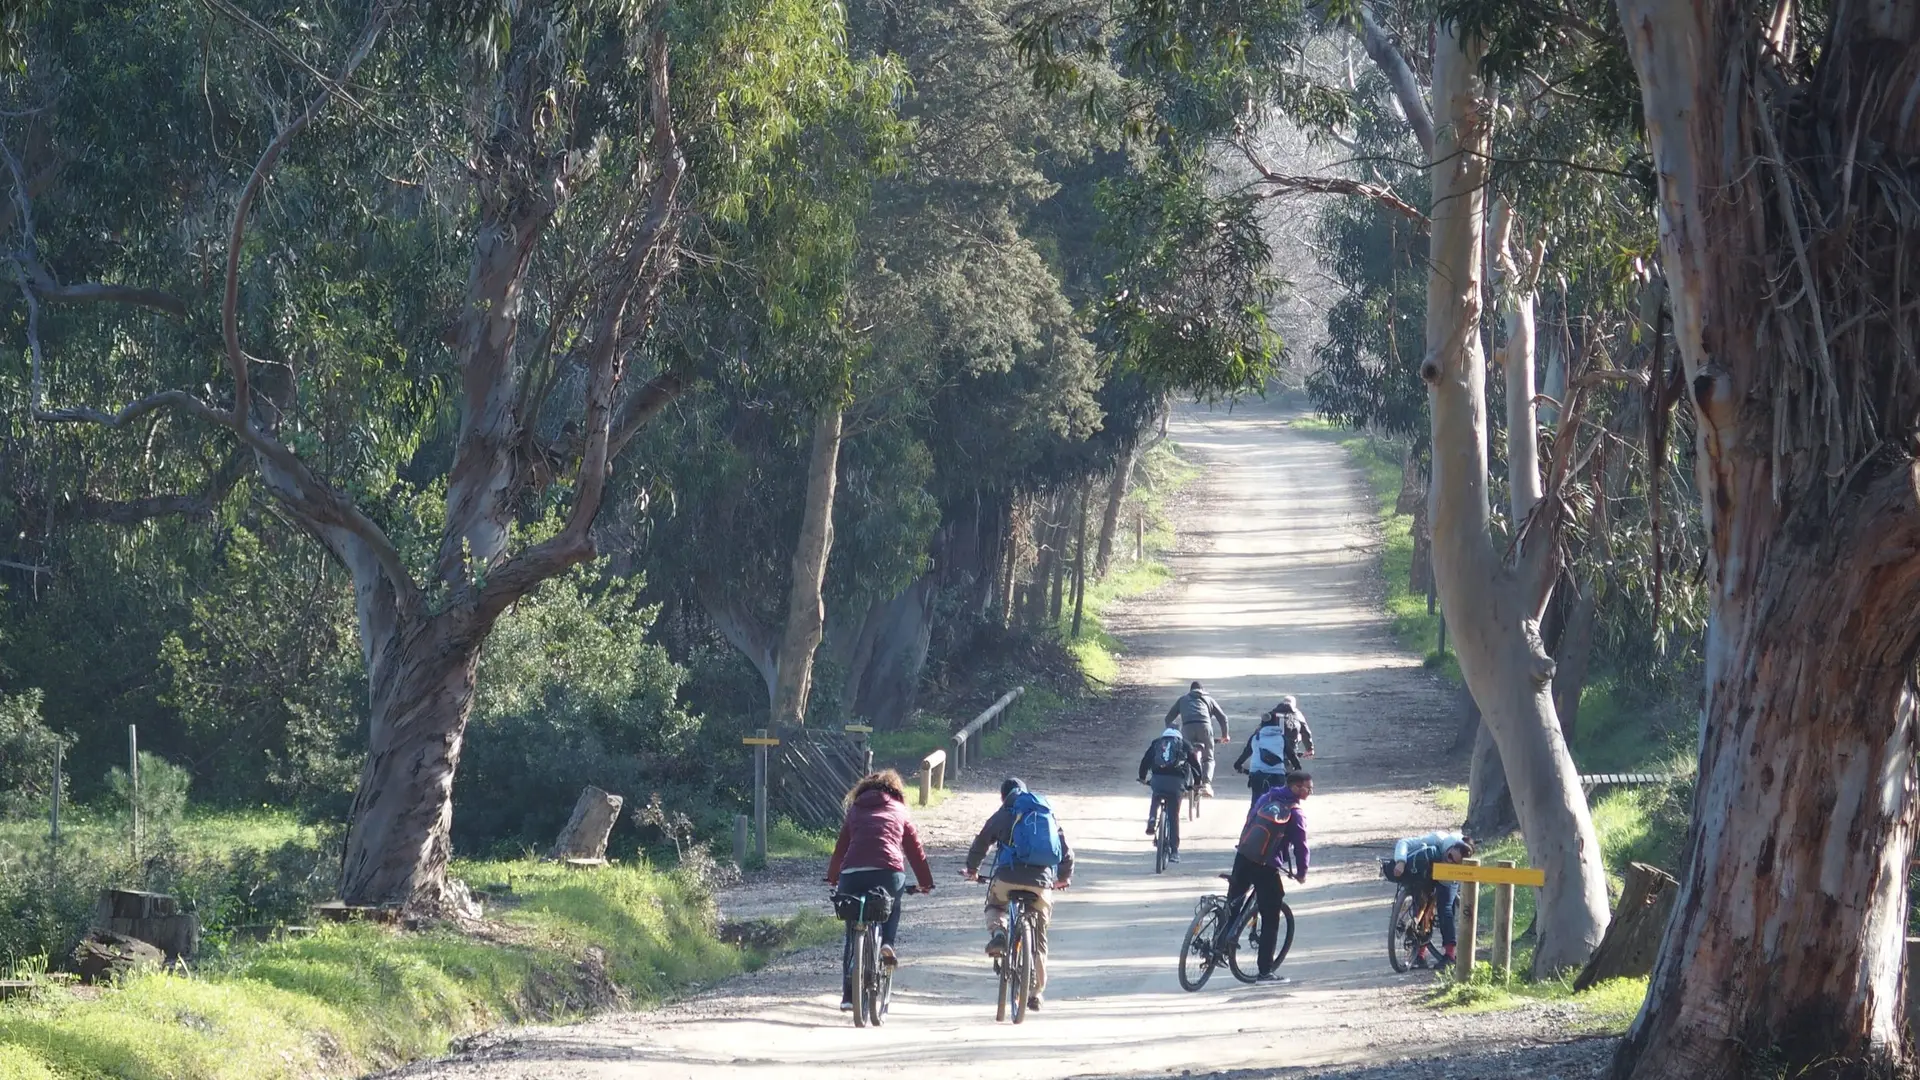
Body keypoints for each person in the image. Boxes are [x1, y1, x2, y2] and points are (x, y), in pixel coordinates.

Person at [825, 769, 937, 1012]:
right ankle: (887, 942)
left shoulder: (854, 810)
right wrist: (925, 882)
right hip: (888, 872)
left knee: (853, 928)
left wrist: (833, 877)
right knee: (893, 902)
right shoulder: (900, 810)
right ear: (896, 790)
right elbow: (915, 850)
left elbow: (841, 847)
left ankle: (847, 996)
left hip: (852, 874)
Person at [962, 777, 1075, 1012]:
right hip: (1041, 884)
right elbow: (1065, 850)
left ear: (1004, 796)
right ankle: (1035, 994)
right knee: (1040, 939)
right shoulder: (1044, 813)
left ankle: (1000, 932)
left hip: (1007, 877)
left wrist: (972, 869)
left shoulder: (1005, 812)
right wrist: (1063, 877)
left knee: (995, 904)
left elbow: (982, 842)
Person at [1226, 770, 1312, 983]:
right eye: (1307, 788)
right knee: (1271, 915)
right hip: (1265, 865)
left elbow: (1249, 819)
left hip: (1243, 855)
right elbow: (1301, 847)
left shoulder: (1266, 797)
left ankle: (1218, 946)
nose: (1310, 791)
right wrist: (1302, 873)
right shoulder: (1295, 813)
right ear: (1295, 788)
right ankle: (1265, 971)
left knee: (1233, 902)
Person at [1390, 831, 1474, 965]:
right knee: (1420, 903)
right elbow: (1403, 842)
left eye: (1455, 863)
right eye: (1450, 856)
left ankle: (1449, 954)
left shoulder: (1453, 866)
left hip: (1447, 876)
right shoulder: (1438, 839)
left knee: (1445, 909)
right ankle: (1419, 954)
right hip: (1428, 868)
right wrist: (1400, 861)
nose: (1450, 861)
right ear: (1450, 847)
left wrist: (1451, 868)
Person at [1137, 725, 1197, 862]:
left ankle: (1152, 819)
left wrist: (1142, 777)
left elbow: (1146, 761)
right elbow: (1195, 765)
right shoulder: (1184, 744)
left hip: (1158, 780)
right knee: (1173, 816)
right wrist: (1197, 782)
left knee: (1156, 796)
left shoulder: (1157, 742)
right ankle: (1175, 851)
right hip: (1176, 784)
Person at [1165, 681, 1230, 796]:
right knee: (1208, 758)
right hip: (1204, 727)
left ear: (1190, 691)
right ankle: (1206, 785)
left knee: (1184, 757)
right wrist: (1225, 735)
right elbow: (1223, 718)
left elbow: (1168, 718)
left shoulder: (1183, 699)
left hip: (1187, 728)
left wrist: (1173, 731)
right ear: (1202, 690)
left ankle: (1184, 785)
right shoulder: (1209, 699)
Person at [1231, 702, 1295, 802]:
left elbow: (1245, 754)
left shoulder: (1255, 737)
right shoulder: (1282, 738)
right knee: (1281, 803)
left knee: (1255, 804)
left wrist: (1238, 766)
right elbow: (1292, 756)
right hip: (1278, 775)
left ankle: (1252, 816)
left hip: (1257, 775)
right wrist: (1298, 768)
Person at [1262, 695, 1315, 770]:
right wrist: (1309, 749)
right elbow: (1306, 732)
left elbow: (1260, 730)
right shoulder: (1297, 714)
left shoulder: (1271, 714)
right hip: (1290, 747)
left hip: (1272, 748)